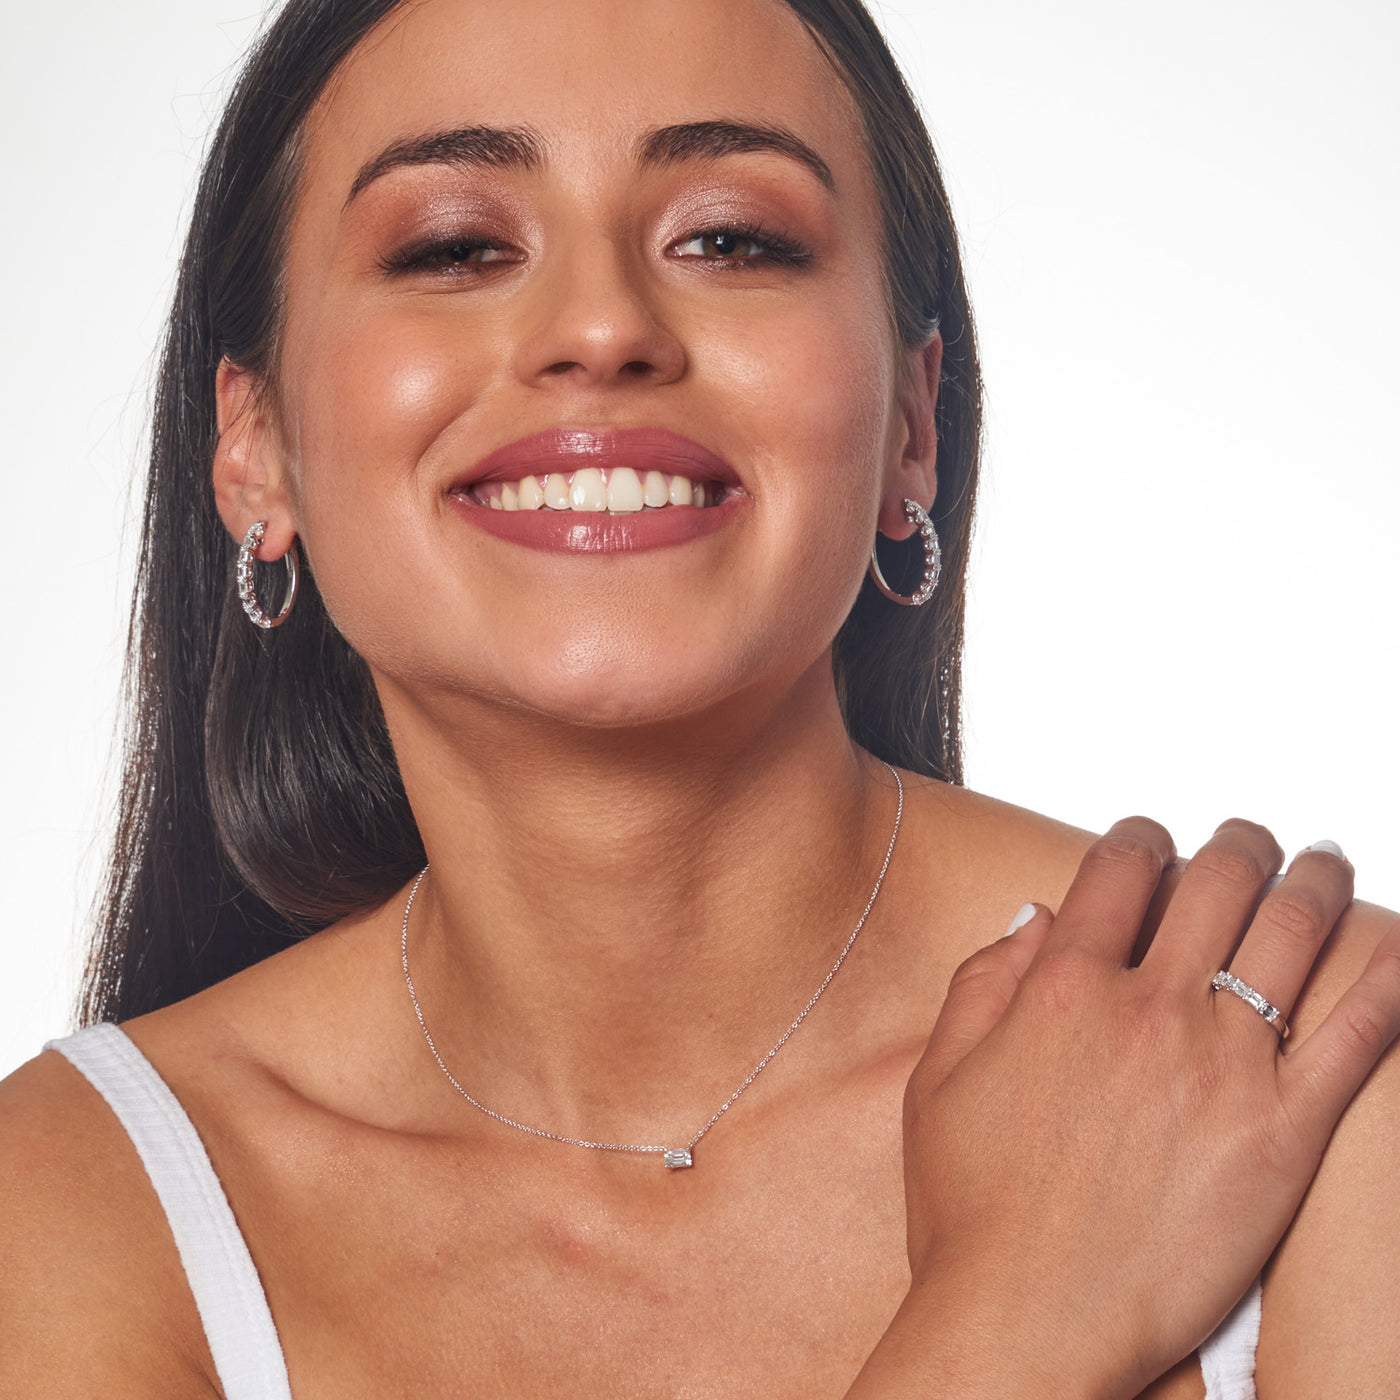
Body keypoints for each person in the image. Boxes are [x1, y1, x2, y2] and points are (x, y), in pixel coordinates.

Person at [2, 0, 1398, 1395]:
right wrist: (1017, 1320)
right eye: (456, 247)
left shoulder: (1302, 1065)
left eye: (732, 239)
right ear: (257, 456)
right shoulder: (73, 1201)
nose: (604, 327)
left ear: (916, 423)